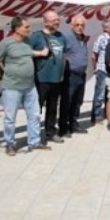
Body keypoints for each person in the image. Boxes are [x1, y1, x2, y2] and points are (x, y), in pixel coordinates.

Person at [0, 16, 52, 156]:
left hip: (30, 86)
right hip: (12, 87)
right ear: (17, 29)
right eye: (26, 27)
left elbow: (28, 53)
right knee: (10, 118)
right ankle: (10, 144)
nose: (29, 29)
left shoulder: (27, 42)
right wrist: (2, 75)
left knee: (34, 115)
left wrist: (42, 53)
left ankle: (34, 142)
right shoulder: (5, 44)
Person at [28, 10, 66, 144]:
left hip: (56, 79)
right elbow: (26, 52)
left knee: (52, 108)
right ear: (45, 22)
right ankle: (33, 136)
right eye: (54, 20)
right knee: (36, 109)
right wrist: (40, 53)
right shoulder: (36, 36)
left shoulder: (61, 37)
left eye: (58, 19)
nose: (57, 22)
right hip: (41, 79)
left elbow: (64, 55)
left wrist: (62, 73)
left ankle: (50, 132)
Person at [59, 15, 89, 137]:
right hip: (70, 74)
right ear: (72, 25)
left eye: (82, 25)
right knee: (67, 101)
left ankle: (73, 123)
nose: (80, 27)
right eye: (77, 24)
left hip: (81, 74)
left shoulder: (82, 38)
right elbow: (61, 53)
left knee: (78, 101)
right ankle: (63, 127)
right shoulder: (66, 37)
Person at [90, 20, 110, 126]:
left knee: (109, 94)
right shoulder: (101, 38)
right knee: (99, 94)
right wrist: (96, 67)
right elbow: (94, 54)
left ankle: (108, 114)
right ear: (106, 28)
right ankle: (96, 116)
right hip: (102, 69)